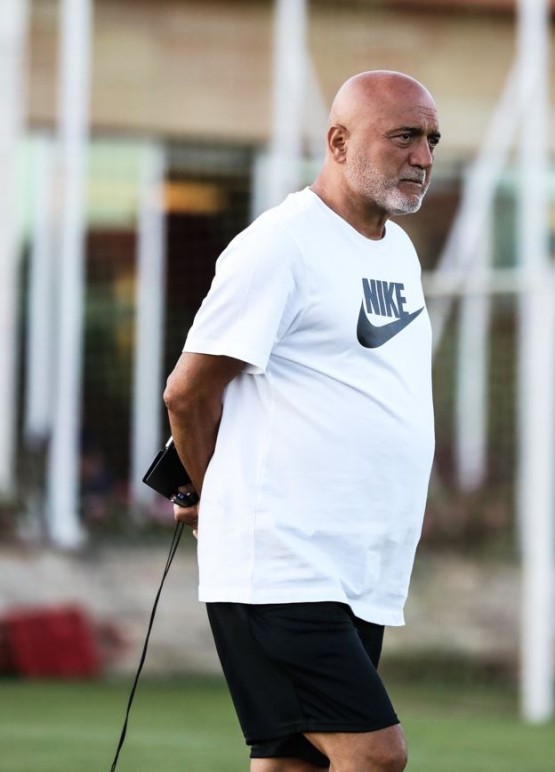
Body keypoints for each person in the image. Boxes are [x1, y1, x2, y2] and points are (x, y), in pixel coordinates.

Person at [163, 70, 440, 772]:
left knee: (295, 766)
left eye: (432, 140)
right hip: (283, 564)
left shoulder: (397, 251)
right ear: (338, 143)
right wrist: (209, 494)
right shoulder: (280, 244)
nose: (423, 157)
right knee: (375, 755)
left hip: (358, 568)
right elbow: (189, 395)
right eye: (403, 136)